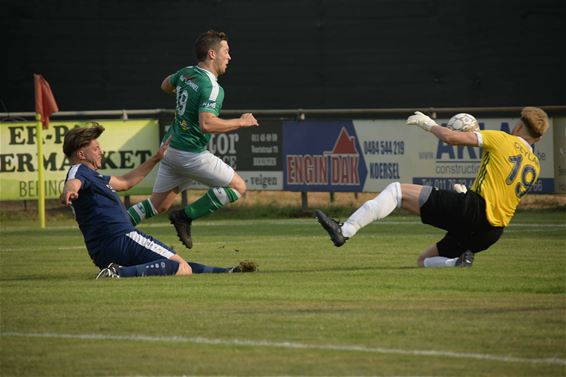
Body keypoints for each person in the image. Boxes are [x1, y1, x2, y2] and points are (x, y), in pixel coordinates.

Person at [315, 107, 549, 268]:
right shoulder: (535, 165)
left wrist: (429, 124)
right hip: (491, 233)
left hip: (474, 211)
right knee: (423, 261)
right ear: (536, 138)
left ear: (518, 128)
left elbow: (450, 138)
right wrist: (469, 194)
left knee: (396, 191)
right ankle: (456, 263)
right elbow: (502, 195)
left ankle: (344, 231)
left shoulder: (502, 139)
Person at [60, 122, 256, 279]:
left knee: (174, 264)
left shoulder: (95, 177)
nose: (101, 151)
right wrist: (70, 191)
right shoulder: (79, 171)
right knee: (180, 266)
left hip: (103, 250)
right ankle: (118, 273)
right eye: (96, 148)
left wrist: (156, 158)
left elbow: (126, 182)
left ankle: (227, 272)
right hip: (122, 239)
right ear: (81, 154)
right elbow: (73, 183)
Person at [126, 30, 259, 249]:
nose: (230, 57)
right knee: (237, 187)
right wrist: (241, 122)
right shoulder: (212, 87)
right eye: (226, 51)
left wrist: (186, 100)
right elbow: (207, 123)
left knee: (158, 205)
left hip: (170, 149)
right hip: (190, 153)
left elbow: (165, 85)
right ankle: (185, 217)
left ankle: (115, 225)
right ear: (212, 54)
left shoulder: (186, 72)